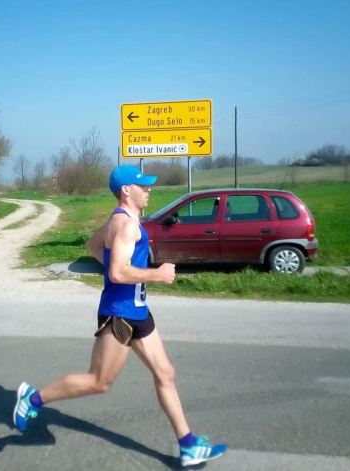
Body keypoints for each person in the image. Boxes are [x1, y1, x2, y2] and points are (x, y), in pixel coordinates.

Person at [13, 165, 227, 467]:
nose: (149, 190)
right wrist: (157, 274)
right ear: (126, 190)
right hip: (119, 314)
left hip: (137, 309)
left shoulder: (122, 221)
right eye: (143, 186)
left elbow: (92, 245)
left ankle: (188, 445)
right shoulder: (124, 225)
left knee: (165, 373)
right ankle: (32, 398)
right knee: (99, 382)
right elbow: (116, 272)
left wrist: (123, 266)